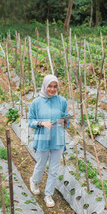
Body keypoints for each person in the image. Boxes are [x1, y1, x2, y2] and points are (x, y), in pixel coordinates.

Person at [28, 74, 70, 207]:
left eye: (55, 86)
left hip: (57, 138)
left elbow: (66, 119)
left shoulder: (62, 101)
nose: (52, 89)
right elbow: (30, 121)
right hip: (42, 138)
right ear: (45, 86)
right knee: (41, 165)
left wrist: (65, 123)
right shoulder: (36, 102)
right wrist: (41, 123)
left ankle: (48, 194)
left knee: (54, 169)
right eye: (50, 86)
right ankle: (34, 181)